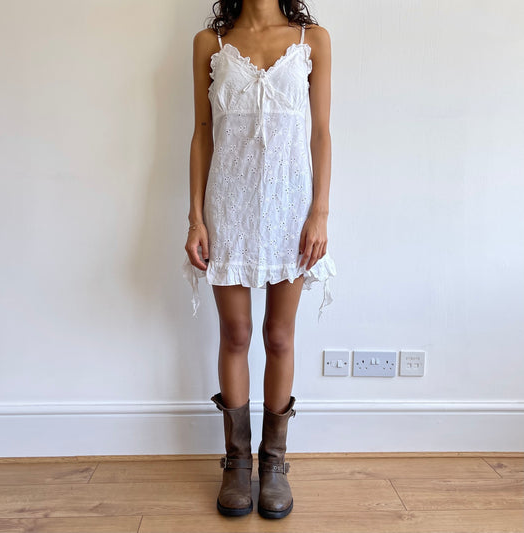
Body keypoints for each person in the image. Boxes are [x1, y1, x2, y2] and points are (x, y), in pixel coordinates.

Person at [182, 0, 336, 520]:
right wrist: (196, 218)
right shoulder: (210, 44)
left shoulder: (312, 40)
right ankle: (236, 464)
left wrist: (319, 212)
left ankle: (273, 464)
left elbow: (321, 133)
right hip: (228, 207)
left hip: (291, 211)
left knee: (280, 336)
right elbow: (201, 134)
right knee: (236, 334)